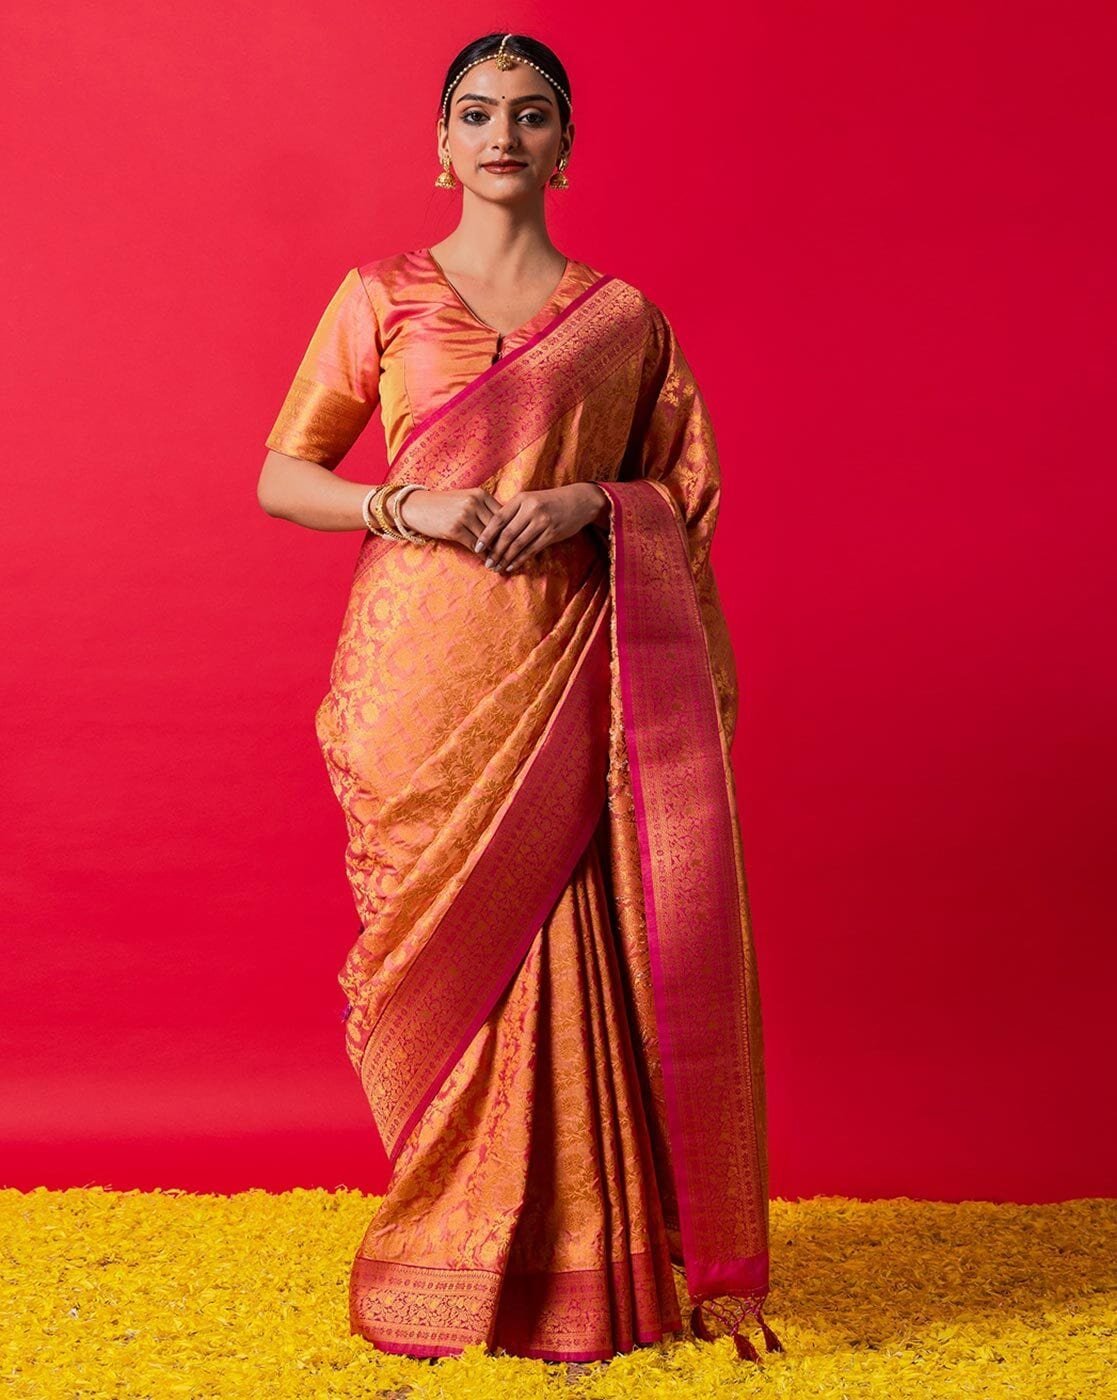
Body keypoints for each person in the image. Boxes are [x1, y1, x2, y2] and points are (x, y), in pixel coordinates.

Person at [256, 30, 782, 1367]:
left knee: (570, 941)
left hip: (569, 666)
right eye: (478, 112)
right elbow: (282, 476)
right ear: (440, 143)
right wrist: (406, 503)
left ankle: (585, 1268)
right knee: (443, 963)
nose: (504, 134)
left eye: (532, 114)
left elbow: (683, 495)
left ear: (565, 144)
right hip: (417, 673)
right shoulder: (379, 295)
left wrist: (588, 502)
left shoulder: (623, 321)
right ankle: (445, 1248)